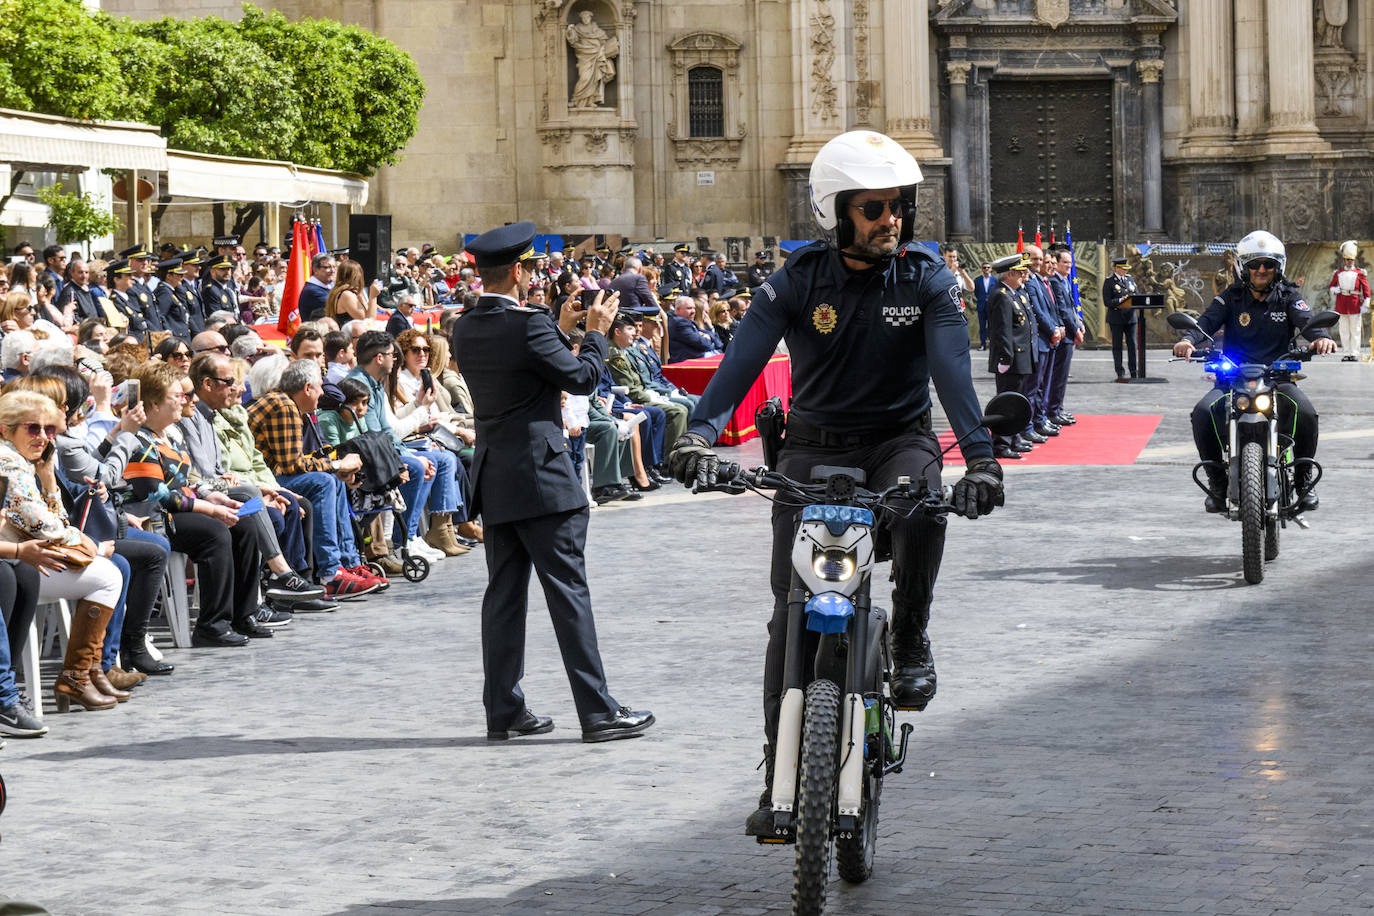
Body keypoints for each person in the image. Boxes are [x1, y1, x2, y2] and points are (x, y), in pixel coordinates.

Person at [664, 130, 1005, 836]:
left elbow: (951, 372)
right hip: (810, 450)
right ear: (837, 212)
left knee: (925, 510)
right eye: (875, 209)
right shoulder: (795, 282)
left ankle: (910, 636)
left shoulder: (927, 280)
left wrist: (980, 459)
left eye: (898, 207)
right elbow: (740, 363)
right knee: (788, 613)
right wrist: (699, 434)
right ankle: (776, 773)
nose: (892, 220)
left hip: (898, 443)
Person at [453, 221, 654, 744]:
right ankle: (598, 711)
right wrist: (592, 332)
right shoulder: (528, 324)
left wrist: (562, 333)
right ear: (518, 271)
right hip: (542, 477)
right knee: (569, 595)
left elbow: (529, 369)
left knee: (504, 599)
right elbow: (581, 378)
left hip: (496, 474)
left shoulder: (466, 326)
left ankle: (504, 709)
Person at [1173, 230, 1336, 512]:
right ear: (1243, 268)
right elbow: (1206, 322)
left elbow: (1307, 320)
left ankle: (1302, 481)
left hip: (1277, 378)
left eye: (1268, 264)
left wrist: (1320, 338)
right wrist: (1188, 340)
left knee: (1306, 412)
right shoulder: (1230, 297)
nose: (1261, 270)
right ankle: (1217, 482)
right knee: (1203, 411)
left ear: (1278, 267)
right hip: (1232, 378)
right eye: (1254, 264)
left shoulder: (1288, 297)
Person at [0, 391, 128, 711]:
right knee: (109, 575)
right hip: (20, 560)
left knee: (115, 569)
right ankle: (77, 676)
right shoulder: (10, 462)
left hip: (24, 557)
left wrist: (49, 482)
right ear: (5, 429)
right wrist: (92, 546)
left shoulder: (24, 461)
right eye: (33, 428)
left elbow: (50, 523)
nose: (43, 437)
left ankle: (86, 673)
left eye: (50, 430)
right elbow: (47, 527)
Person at [985, 253, 1036, 460]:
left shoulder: (1015, 294)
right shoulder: (1001, 295)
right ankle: (1001, 442)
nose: (1023, 275)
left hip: (1021, 357)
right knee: (1006, 403)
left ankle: (1014, 438)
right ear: (1009, 274)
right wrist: (1005, 359)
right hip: (1011, 359)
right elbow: (1002, 331)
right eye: (1019, 272)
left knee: (1016, 402)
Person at [1328, 240, 1370, 361]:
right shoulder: (1338, 273)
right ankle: (1346, 353)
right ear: (1344, 260)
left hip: (1355, 304)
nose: (1349, 261)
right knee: (1344, 330)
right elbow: (1331, 286)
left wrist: (1366, 303)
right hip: (1342, 303)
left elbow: (1366, 289)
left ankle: (1354, 353)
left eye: (1351, 259)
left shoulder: (1360, 273)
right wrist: (1335, 289)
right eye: (1347, 259)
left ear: (1354, 260)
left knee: (1355, 330)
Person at [1103, 257, 1139, 381]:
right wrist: (1120, 300)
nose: (1125, 271)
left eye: (1126, 269)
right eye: (1122, 269)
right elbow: (1107, 301)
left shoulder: (1130, 279)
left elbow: (1137, 295)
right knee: (1117, 346)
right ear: (1116, 268)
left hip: (1130, 318)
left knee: (1132, 345)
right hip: (1116, 318)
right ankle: (1120, 371)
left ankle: (1134, 371)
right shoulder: (1109, 282)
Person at [973, 260, 996, 350]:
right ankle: (983, 344)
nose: (986, 269)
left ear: (990, 269)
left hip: (991, 306)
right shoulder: (977, 280)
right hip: (981, 306)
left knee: (992, 326)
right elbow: (976, 293)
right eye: (984, 268)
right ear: (982, 269)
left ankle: (992, 344)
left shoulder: (995, 280)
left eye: (988, 267)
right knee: (982, 326)